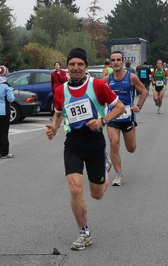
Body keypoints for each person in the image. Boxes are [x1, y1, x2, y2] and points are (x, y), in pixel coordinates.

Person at [45, 48, 125, 251]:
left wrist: (102, 120)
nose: (76, 67)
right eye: (72, 64)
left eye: (80, 64)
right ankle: (84, 233)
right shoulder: (60, 90)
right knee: (74, 188)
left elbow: (120, 107)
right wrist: (54, 127)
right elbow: (57, 113)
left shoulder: (97, 85)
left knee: (97, 194)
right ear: (67, 67)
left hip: (95, 143)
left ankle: (105, 172)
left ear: (86, 67)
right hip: (73, 144)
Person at [102, 51, 147, 186]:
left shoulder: (131, 77)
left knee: (131, 148)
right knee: (114, 143)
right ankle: (118, 174)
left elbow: (144, 91)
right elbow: (98, 95)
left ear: (122, 62)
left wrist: (139, 106)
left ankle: (117, 168)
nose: (116, 62)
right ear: (111, 63)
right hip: (113, 118)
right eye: (113, 60)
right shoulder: (106, 80)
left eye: (118, 60)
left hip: (128, 117)